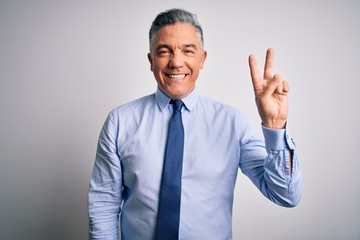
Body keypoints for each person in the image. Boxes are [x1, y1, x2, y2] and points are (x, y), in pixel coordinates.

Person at [88, 8, 302, 240]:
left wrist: (275, 125)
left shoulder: (232, 123)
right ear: (151, 60)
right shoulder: (120, 121)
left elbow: (286, 195)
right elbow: (103, 205)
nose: (176, 62)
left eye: (188, 51)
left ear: (202, 59)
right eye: (164, 51)